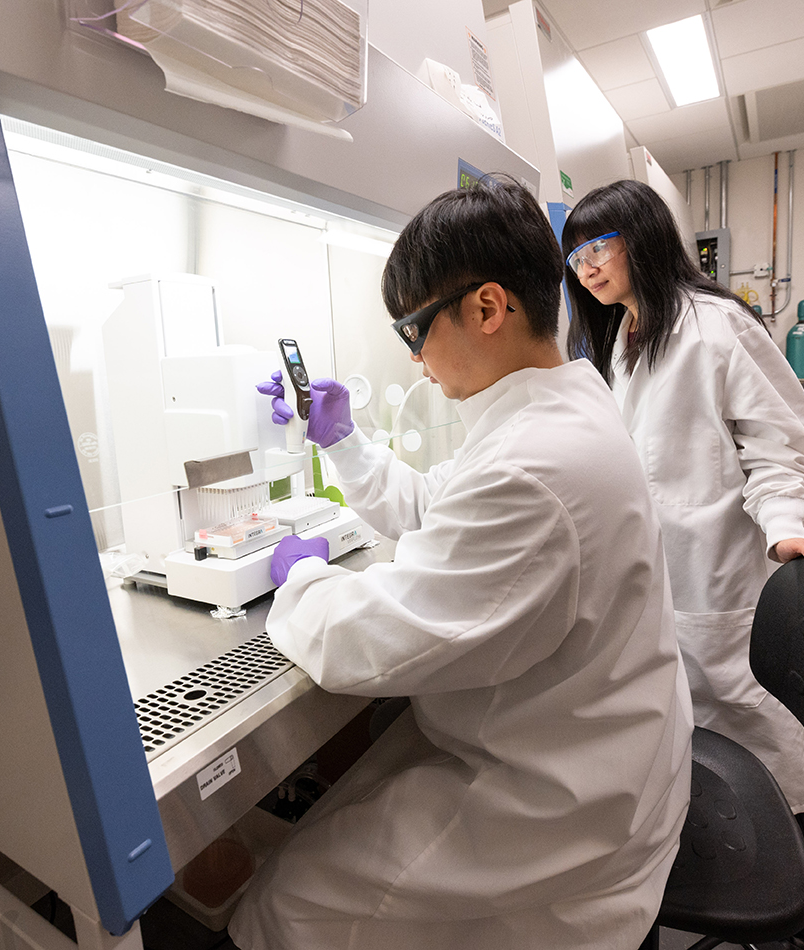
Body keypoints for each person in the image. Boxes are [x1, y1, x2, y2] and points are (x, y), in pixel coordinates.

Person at [229, 177, 692, 950]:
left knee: (285, 904)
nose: (416, 364)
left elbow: (362, 644)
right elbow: (438, 506)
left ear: (485, 307)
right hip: (582, 745)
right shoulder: (555, 409)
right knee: (343, 809)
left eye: (414, 334)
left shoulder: (535, 465)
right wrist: (341, 439)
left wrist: (298, 578)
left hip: (559, 808)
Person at [560, 180, 804, 814]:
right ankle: (718, 819)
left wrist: (786, 523)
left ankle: (792, 831)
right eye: (575, 256)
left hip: (721, 564)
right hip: (665, 566)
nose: (588, 266)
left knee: (743, 703)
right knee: (692, 711)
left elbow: (778, 447)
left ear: (645, 237)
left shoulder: (715, 327)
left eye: (599, 245)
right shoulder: (623, 337)